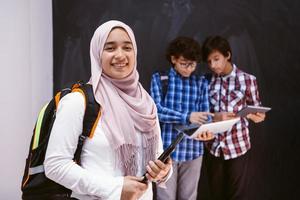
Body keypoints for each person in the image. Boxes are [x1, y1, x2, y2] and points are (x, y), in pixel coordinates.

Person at [44, 20, 172, 200]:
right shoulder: (78, 102)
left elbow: (156, 154)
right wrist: (115, 188)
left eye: (127, 48)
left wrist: (164, 171)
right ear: (97, 53)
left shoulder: (146, 102)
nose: (120, 55)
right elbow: (55, 165)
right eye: (110, 48)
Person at [201, 35, 266, 200]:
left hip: (238, 146)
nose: (213, 65)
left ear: (227, 55)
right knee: (216, 194)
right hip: (213, 147)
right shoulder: (206, 81)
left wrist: (256, 116)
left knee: (236, 196)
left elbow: (257, 113)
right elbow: (202, 112)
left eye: (216, 59)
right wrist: (215, 117)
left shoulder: (247, 80)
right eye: (209, 62)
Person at [150, 36, 214, 200]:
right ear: (173, 59)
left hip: (193, 150)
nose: (188, 69)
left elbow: (205, 116)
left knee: (189, 197)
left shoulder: (200, 83)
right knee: (165, 197)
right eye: (184, 63)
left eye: (192, 64)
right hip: (166, 150)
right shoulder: (160, 79)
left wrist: (208, 129)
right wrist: (187, 117)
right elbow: (156, 111)